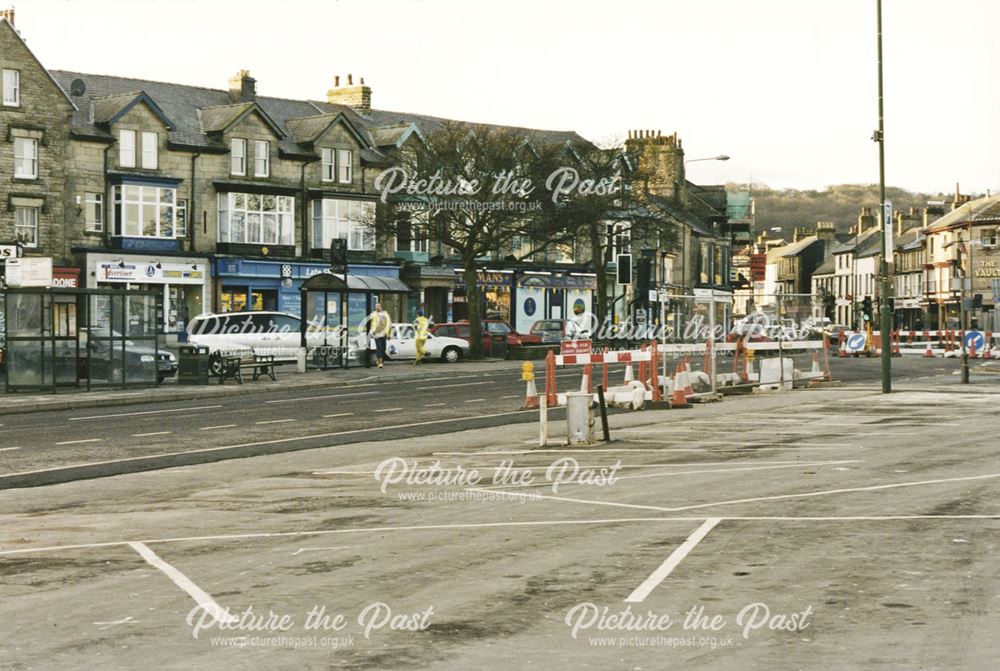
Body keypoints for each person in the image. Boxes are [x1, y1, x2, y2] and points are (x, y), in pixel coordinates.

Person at [368, 302, 392, 368]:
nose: (377, 307)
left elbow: (389, 324)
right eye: (376, 306)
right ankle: (380, 363)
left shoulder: (385, 314)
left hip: (384, 333)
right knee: (379, 347)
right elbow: (369, 322)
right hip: (376, 334)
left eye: (378, 306)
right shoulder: (373, 314)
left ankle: (381, 361)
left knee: (383, 348)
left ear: (381, 307)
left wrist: (389, 334)